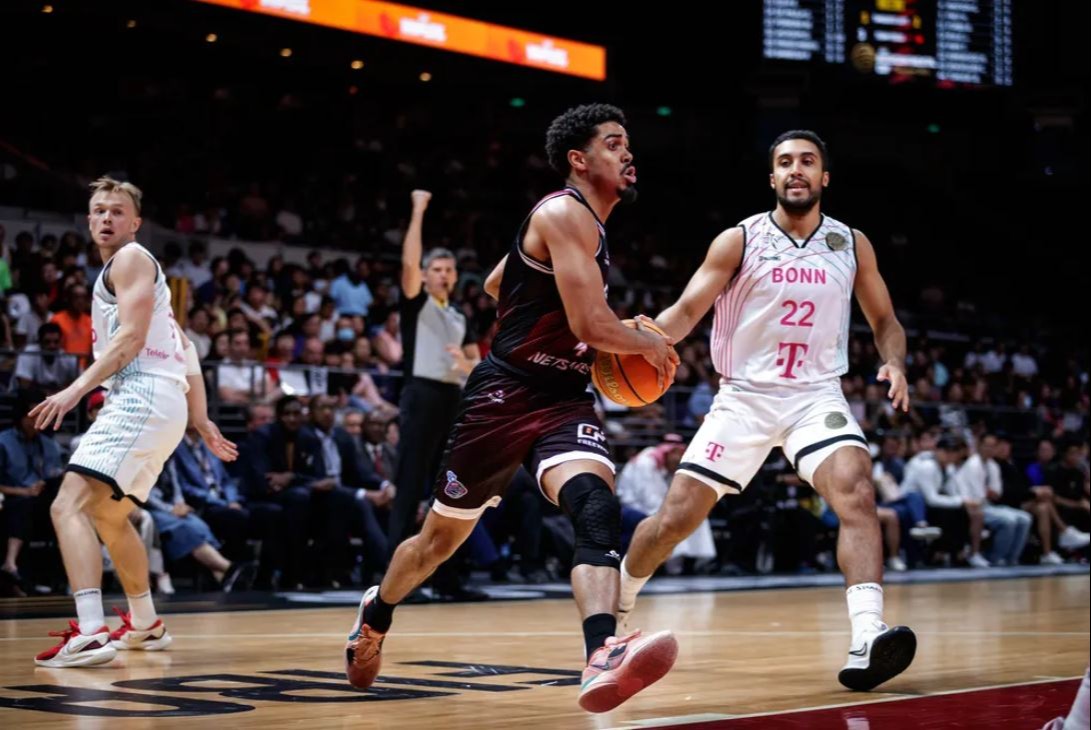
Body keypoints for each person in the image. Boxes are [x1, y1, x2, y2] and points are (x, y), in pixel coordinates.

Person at [343, 104, 679, 713]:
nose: (628, 154)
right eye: (614, 143)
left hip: (563, 398)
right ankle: (377, 611)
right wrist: (647, 341)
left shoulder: (585, 228)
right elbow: (589, 322)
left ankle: (601, 653)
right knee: (437, 543)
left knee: (595, 504)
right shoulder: (560, 212)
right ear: (580, 160)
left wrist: (572, 322)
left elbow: (501, 282)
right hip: (503, 395)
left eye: (627, 144)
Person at [618, 130, 916, 691]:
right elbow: (685, 311)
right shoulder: (739, 240)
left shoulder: (851, 243)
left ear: (824, 177)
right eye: (785, 163)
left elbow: (884, 322)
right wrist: (642, 340)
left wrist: (894, 362)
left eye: (807, 162)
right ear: (772, 178)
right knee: (673, 521)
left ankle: (867, 635)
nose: (796, 170)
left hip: (815, 394)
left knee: (856, 488)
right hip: (744, 397)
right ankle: (615, 609)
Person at [29, 176, 235, 668]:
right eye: (99, 210)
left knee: (67, 505)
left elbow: (131, 343)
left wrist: (76, 388)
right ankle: (145, 624)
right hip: (163, 402)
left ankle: (92, 632)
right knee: (109, 515)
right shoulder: (133, 274)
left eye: (117, 211)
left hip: (141, 395)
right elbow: (185, 349)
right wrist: (200, 419)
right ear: (87, 219)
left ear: (135, 223)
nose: (106, 218)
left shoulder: (132, 259)